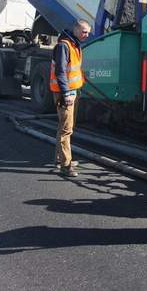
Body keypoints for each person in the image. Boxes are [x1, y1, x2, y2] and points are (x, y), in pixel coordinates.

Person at [49, 19, 91, 177]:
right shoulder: (64, 46)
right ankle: (66, 166)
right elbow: (60, 71)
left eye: (87, 32)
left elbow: (72, 69)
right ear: (75, 29)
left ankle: (60, 159)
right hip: (64, 93)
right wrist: (66, 93)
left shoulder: (74, 45)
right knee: (66, 129)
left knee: (65, 127)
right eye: (83, 31)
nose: (86, 35)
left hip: (71, 92)